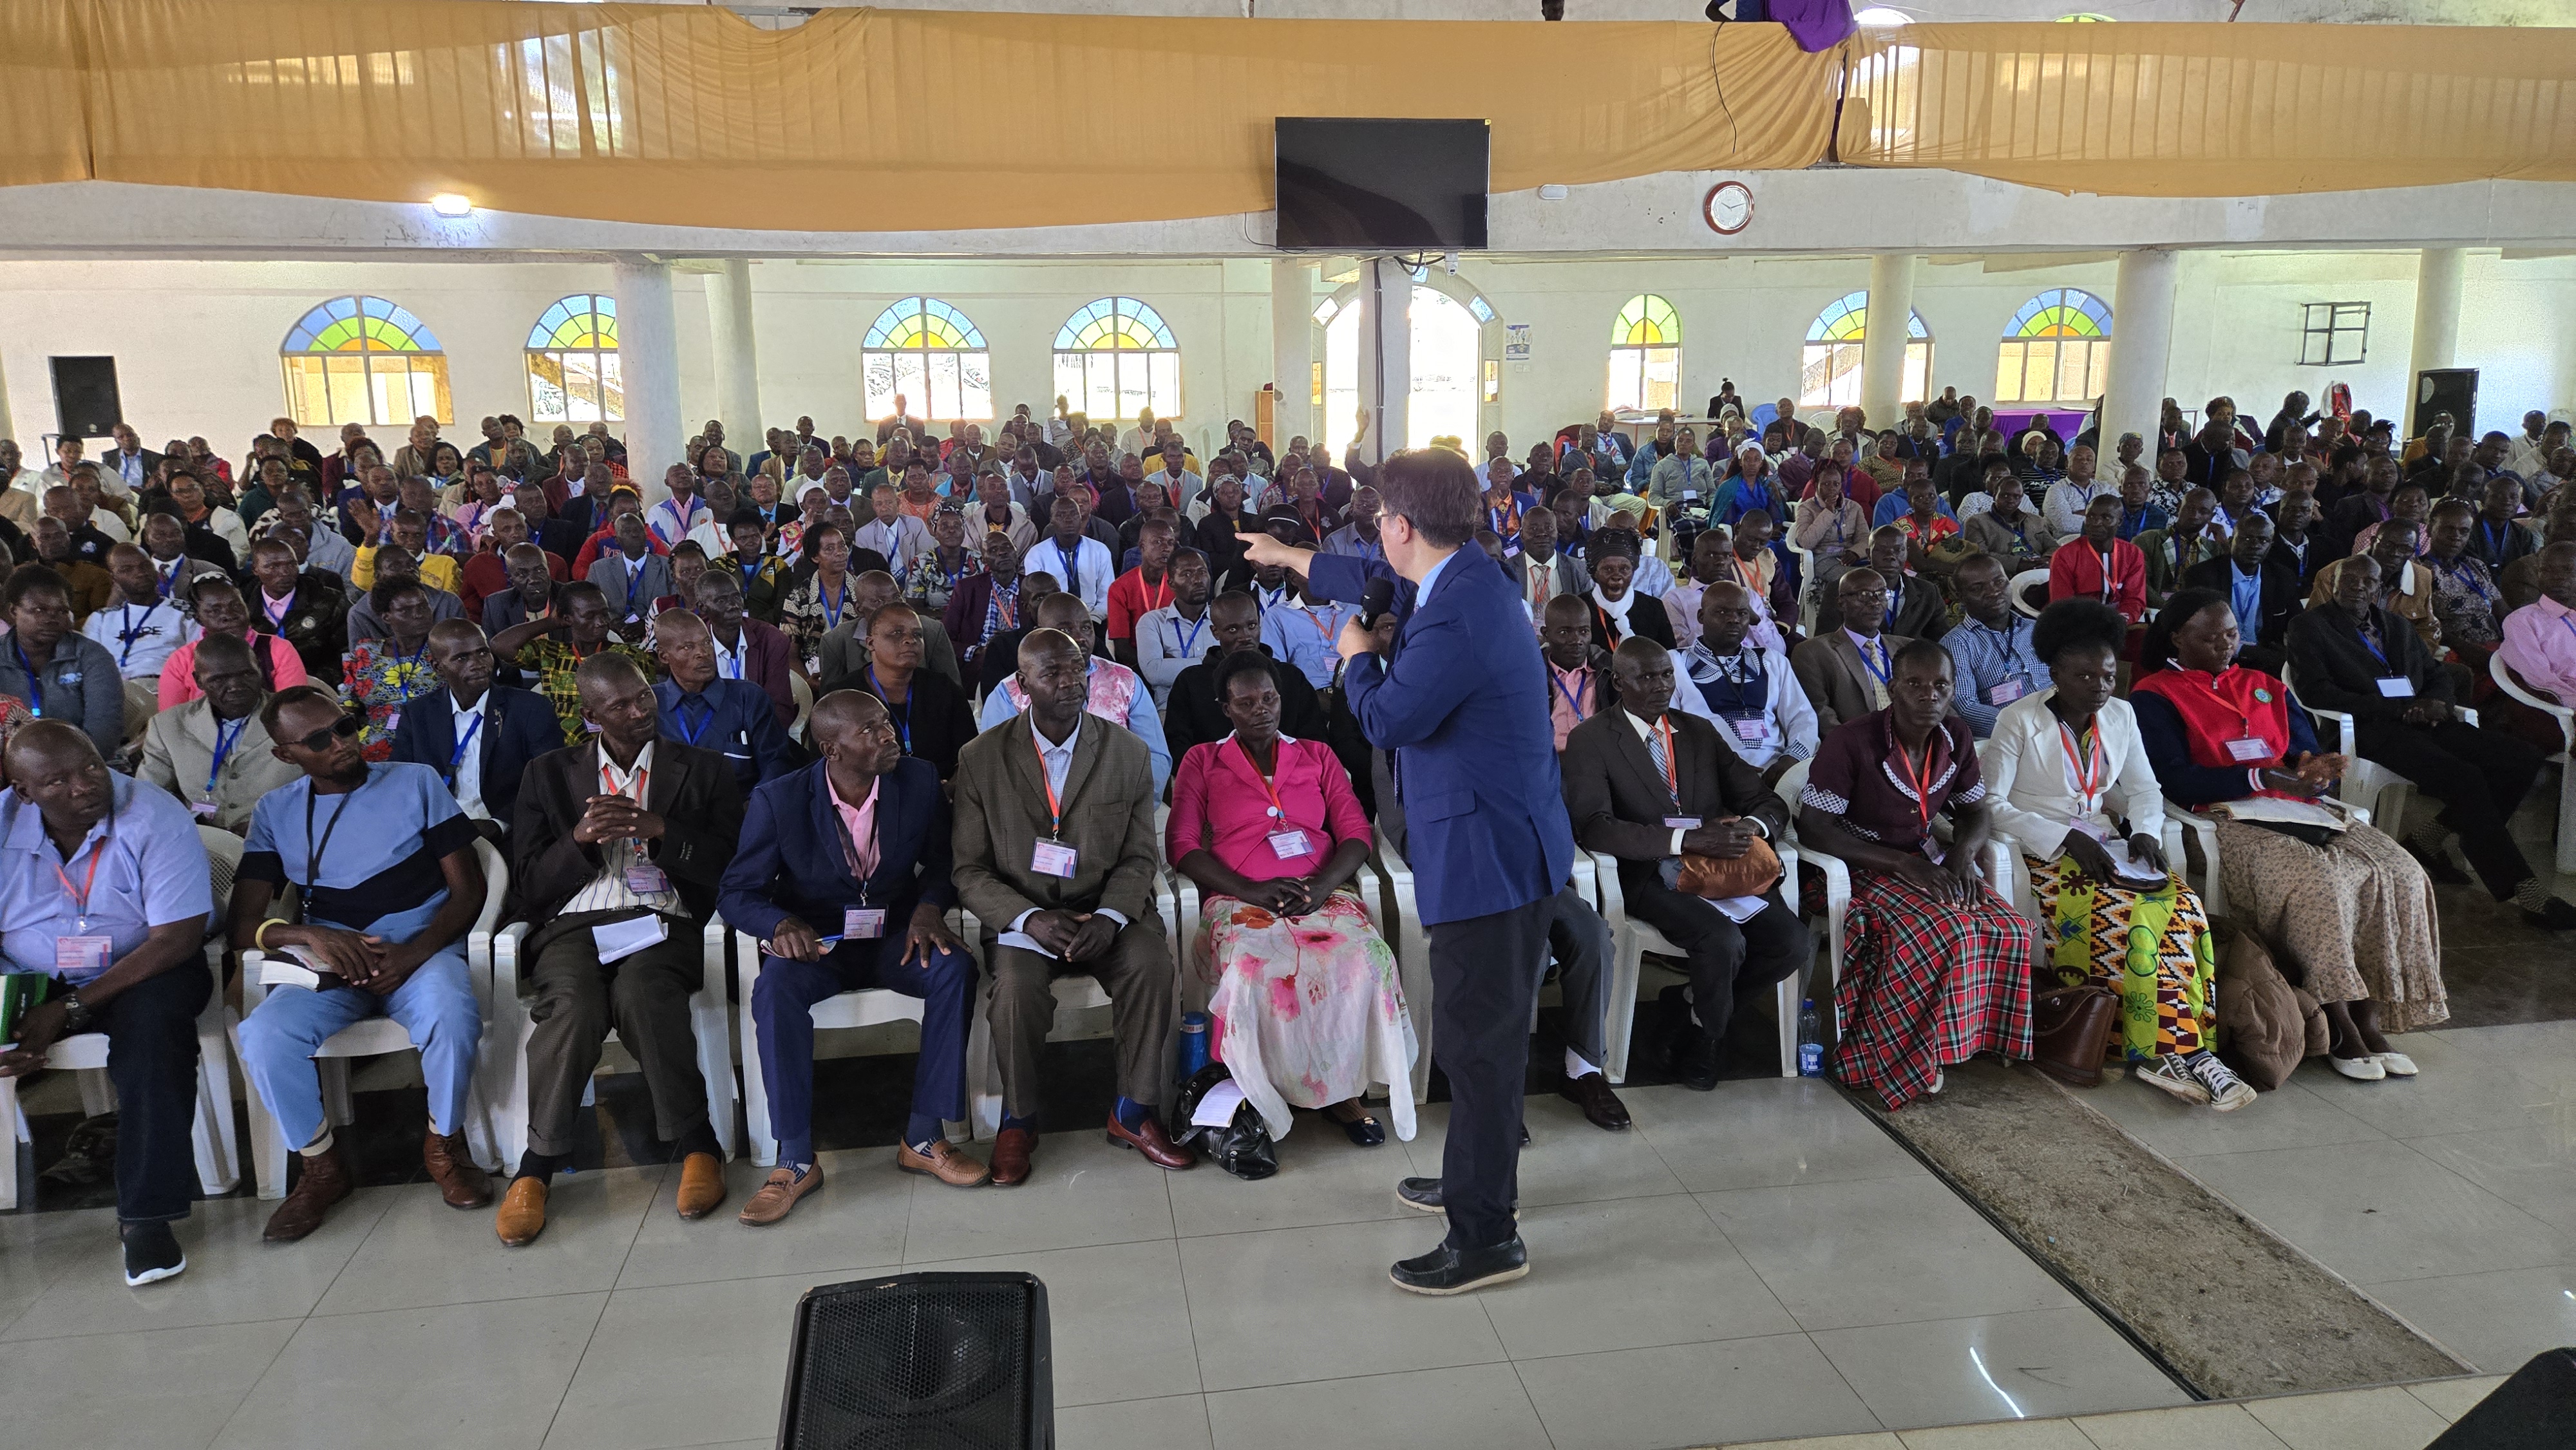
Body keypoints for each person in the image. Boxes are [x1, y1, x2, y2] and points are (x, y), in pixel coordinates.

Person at [1271, 447, 1574, 1296]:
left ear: (1403, 525)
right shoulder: (1464, 573)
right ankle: (1476, 1178)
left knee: (1480, 1046)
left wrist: (1355, 655)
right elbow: (1379, 577)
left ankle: (1486, 1236)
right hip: (1500, 839)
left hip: (1489, 858)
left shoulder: (1457, 616)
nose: (1377, 535)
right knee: (1482, 1036)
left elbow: (1388, 718)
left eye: (1380, 522)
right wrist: (1294, 557)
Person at [2132, 591, 2448, 1077]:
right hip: (2223, 817)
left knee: (2400, 871)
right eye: (2210, 637)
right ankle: (2338, 1018)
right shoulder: (2154, 695)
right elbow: (2174, 779)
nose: (2225, 645)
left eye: (2232, 635)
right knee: (2317, 883)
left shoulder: (2265, 686)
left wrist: (2316, 771)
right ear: (2176, 637)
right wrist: (2260, 777)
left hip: (2300, 810)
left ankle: (2372, 1014)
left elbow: (2303, 755)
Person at [497, 654, 744, 1246]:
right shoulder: (547, 774)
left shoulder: (704, 768)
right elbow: (529, 883)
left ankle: (698, 1144)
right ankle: (537, 1164)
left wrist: (662, 832)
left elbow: (733, 867)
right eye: (620, 705)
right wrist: (580, 840)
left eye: (643, 697)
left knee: (643, 992)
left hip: (663, 919)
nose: (639, 711)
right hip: (574, 925)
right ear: (590, 715)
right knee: (574, 1003)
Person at [231, 687, 493, 1241]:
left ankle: (444, 1146)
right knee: (263, 1035)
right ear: (285, 755)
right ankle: (321, 1167)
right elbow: (243, 923)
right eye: (319, 740)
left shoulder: (415, 781)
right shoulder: (275, 812)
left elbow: (469, 890)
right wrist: (308, 933)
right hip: (333, 963)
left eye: (345, 726)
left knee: (450, 1012)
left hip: (421, 947)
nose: (342, 743)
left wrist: (413, 953)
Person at [719, 691, 987, 1219]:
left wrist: (930, 906)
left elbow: (944, 863)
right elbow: (736, 892)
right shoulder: (780, 800)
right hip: (820, 943)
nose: (889, 736)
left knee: (954, 968)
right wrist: (779, 924)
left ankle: (924, 1137)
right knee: (774, 990)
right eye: (869, 731)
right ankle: (795, 1159)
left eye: (886, 723)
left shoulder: (917, 780)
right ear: (831, 749)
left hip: (895, 936)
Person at [1981, 601, 2249, 1109]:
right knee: (2129, 918)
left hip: (2108, 847)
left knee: (2184, 908)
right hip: (2044, 854)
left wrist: (2145, 832)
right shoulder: (2018, 719)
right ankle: (2170, 1053)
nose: (2100, 687)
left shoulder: (2121, 715)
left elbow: (2144, 789)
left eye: (2108, 675)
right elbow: (1991, 805)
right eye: (2084, 676)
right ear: (2055, 673)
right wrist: (2064, 838)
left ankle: (2184, 1050)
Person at [951, 628, 1191, 1187]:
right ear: (1022, 684)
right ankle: (1019, 1120)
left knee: (1151, 965)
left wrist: (1110, 917)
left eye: (1077, 669)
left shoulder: (1127, 752)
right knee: (1015, 989)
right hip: (1025, 914)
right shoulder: (981, 758)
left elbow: (1139, 856)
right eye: (1052, 672)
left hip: (1106, 909)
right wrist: (1029, 919)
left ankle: (1134, 1109)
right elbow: (968, 869)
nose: (1070, 682)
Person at [1168, 652, 1414, 1145]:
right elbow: (1182, 845)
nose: (1261, 709)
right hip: (1241, 901)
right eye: (1246, 702)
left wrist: (1323, 887)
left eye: (1270, 698)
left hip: (1320, 894)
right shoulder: (1203, 760)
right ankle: (1257, 1089)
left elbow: (1356, 833)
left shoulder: (1317, 755)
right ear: (1226, 709)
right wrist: (1250, 890)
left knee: (1369, 958)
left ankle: (1342, 1089)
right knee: (1253, 971)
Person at [0, 723, 215, 1285]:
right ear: (24, 792)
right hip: (31, 976)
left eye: (92, 766)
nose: (84, 785)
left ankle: (145, 1218)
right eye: (57, 781)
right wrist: (5, 1014)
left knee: (153, 1041)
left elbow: (176, 939)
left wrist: (69, 1010)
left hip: (147, 967)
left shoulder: (153, 815)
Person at [1797, 641, 2035, 1110]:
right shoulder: (1852, 741)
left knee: (2010, 926)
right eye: (1915, 684)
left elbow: (1975, 811)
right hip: (1857, 866)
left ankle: (1972, 1039)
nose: (1930, 695)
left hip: (1926, 861)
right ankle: (1904, 1056)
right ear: (1893, 689)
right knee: (1943, 930)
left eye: (1941, 685)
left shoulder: (1955, 736)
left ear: (1953, 690)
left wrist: (1963, 855)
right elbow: (1815, 829)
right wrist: (1904, 865)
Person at [1564, 639, 1809, 1089]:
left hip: (1721, 870)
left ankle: (1691, 1006)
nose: (1661, 686)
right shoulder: (1591, 739)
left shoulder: (1699, 731)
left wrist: (1751, 828)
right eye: (1646, 677)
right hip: (1649, 874)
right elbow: (1595, 828)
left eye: (1666, 675)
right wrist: (1685, 839)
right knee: (1722, 941)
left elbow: (1764, 800)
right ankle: (1707, 1039)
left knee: (1792, 942)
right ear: (1618, 682)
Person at [2286, 554, 2574, 927]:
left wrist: (2439, 703)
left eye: (2368, 581)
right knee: (2465, 777)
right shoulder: (2310, 626)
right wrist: (2397, 708)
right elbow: (2316, 692)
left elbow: (2437, 673)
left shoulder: (2395, 625)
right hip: (2370, 729)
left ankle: (2432, 837)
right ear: (2334, 584)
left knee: (2522, 757)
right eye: (2349, 580)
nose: (2358, 587)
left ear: (2379, 588)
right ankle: (2524, 889)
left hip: (2423, 721)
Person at [978, 591, 1173, 795]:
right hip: (1037, 808)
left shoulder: (1126, 681)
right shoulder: (1009, 693)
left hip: (1118, 803)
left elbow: (1155, 757)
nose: (1080, 638)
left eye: (1086, 628)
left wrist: (1122, 803)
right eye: (1065, 629)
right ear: (1040, 633)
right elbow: (999, 767)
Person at [385, 620, 562, 843]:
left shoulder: (530, 708)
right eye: (462, 658)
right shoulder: (417, 714)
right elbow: (402, 781)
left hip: (511, 830)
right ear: (438, 667)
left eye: (483, 653)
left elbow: (549, 782)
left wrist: (499, 824)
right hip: (437, 830)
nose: (478, 664)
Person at [137, 632, 300, 834]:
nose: (235, 687)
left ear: (259, 668)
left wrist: (272, 824)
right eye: (219, 680)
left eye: (246, 674)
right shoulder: (168, 726)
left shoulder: (295, 718)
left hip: (285, 834)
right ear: (198, 681)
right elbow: (151, 795)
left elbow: (325, 787)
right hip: (199, 838)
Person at [1160, 590, 1331, 766]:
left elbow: (1315, 742)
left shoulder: (1291, 677)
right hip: (1213, 776)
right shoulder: (1191, 682)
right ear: (1215, 632)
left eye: (1252, 626)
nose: (1245, 637)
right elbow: (1178, 746)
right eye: (1233, 629)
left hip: (1290, 774)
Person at [491, 580, 658, 746]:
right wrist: (551, 622)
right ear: (567, 619)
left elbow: (646, 708)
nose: (601, 622)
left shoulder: (629, 657)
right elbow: (500, 645)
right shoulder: (551, 655)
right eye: (590, 616)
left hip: (614, 747)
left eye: (604, 614)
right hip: (559, 749)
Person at [822, 600, 975, 780]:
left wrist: (950, 788)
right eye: (897, 633)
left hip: (941, 790)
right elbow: (828, 768)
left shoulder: (944, 689)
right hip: (870, 794)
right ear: (871, 643)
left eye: (917, 634)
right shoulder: (843, 696)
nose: (910, 640)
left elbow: (970, 755)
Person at [651, 610, 793, 795]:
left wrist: (757, 806)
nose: (703, 653)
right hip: (674, 810)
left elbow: (777, 764)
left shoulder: (748, 698)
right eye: (688, 647)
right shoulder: (651, 705)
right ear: (664, 656)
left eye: (707, 642)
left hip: (742, 806)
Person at [0, 563, 122, 757]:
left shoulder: (92, 656)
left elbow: (103, 736)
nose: (52, 619)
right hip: (9, 765)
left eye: (62, 611)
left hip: (84, 764)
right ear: (14, 611)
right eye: (39, 610)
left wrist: (55, 768)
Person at [1794, 569, 1932, 735]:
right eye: (1864, 595)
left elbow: (1935, 700)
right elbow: (1821, 716)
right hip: (1859, 744)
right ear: (1841, 603)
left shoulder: (1908, 648)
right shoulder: (1813, 652)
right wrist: (1865, 747)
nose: (1875, 603)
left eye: (1881, 594)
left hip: (1917, 740)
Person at [1942, 554, 2053, 739]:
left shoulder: (2037, 629)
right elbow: (1966, 707)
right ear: (1961, 597)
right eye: (1978, 588)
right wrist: (2024, 726)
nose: (1993, 592)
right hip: (2012, 736)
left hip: (2062, 721)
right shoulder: (1957, 643)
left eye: (1999, 582)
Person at [2180, 511, 2297, 674]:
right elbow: (2195, 628)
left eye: (2263, 540)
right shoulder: (2203, 575)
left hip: (2265, 657)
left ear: (2271, 545)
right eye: (2246, 538)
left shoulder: (2282, 577)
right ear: (2231, 540)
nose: (2254, 545)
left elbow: (2297, 622)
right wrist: (2242, 650)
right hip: (2215, 655)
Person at [340, 578, 442, 759]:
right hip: (375, 743)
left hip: (434, 738)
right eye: (406, 610)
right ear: (387, 617)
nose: (419, 614)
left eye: (423, 606)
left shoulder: (445, 650)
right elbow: (348, 705)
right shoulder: (365, 653)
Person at [1131, 546, 1213, 710]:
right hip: (1171, 708)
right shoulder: (1152, 622)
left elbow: (1233, 666)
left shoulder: (1222, 619)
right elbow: (1154, 673)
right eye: (1187, 574)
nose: (1197, 580)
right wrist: (1211, 662)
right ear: (1171, 584)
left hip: (1217, 707)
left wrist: (1172, 664)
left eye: (1202, 572)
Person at [2046, 496, 2150, 624]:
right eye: (2090, 517)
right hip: (2076, 623)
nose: (2096, 523)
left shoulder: (2133, 554)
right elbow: (2063, 604)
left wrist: (2117, 622)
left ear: (2120, 521)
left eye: (2106, 518)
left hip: (2119, 622)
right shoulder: (2065, 555)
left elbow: (2134, 599)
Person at [1026, 494, 1114, 619]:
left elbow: (1107, 595)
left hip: (1094, 619)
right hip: (1053, 620)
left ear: (1081, 518)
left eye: (1074, 514)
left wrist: (1093, 619)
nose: (1068, 519)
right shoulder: (1036, 554)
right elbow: (1037, 599)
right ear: (1051, 520)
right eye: (1061, 515)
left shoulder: (1100, 550)